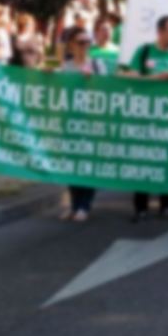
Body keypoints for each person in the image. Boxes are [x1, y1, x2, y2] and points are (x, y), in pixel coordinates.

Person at [122, 15, 168, 223]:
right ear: (160, 32)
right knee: (144, 159)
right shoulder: (144, 51)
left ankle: (167, 205)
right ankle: (141, 207)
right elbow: (131, 76)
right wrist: (155, 78)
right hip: (146, 117)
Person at [60, 26, 107, 221]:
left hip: (90, 121)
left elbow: (107, 89)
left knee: (87, 163)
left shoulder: (97, 64)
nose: (85, 46)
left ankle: (84, 206)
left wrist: (92, 81)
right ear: (72, 45)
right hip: (71, 120)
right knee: (71, 163)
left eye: (88, 42)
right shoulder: (66, 66)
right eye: (81, 42)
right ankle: (74, 205)